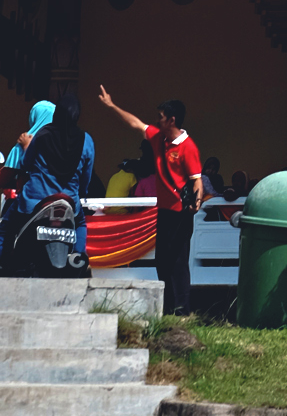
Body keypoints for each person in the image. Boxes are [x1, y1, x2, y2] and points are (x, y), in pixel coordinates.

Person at [97, 87, 203, 316]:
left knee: (178, 262)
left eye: (160, 117)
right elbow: (135, 124)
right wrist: (112, 106)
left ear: (172, 120)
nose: (156, 120)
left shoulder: (188, 147)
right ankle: (167, 308)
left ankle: (182, 312)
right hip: (164, 211)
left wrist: (196, 204)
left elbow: (196, 180)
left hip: (180, 213)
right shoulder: (157, 138)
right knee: (162, 261)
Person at [4, 97, 95, 276]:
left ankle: (5, 262)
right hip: (68, 200)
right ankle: (78, 257)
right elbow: (87, 175)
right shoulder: (86, 140)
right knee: (80, 223)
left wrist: (27, 148)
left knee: (6, 226)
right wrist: (80, 192)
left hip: (34, 199)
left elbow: (26, 163)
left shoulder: (42, 134)